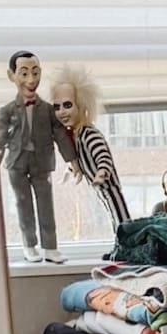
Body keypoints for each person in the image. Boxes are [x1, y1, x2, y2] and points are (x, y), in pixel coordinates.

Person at [0, 49, 74, 262]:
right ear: (12, 76)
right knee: (23, 205)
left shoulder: (48, 110)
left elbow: (60, 135)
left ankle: (50, 246)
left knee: (46, 203)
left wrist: (72, 160)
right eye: (24, 73)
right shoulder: (7, 112)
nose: (31, 79)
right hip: (17, 163)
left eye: (35, 73)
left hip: (41, 162)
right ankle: (29, 245)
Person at [50, 65, 131, 234]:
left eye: (67, 105)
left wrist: (102, 171)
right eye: (57, 107)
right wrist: (71, 169)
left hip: (108, 186)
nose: (62, 112)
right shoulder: (76, 137)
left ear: (81, 106)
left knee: (121, 217)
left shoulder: (89, 134)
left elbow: (102, 155)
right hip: (100, 189)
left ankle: (127, 243)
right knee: (112, 214)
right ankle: (121, 242)